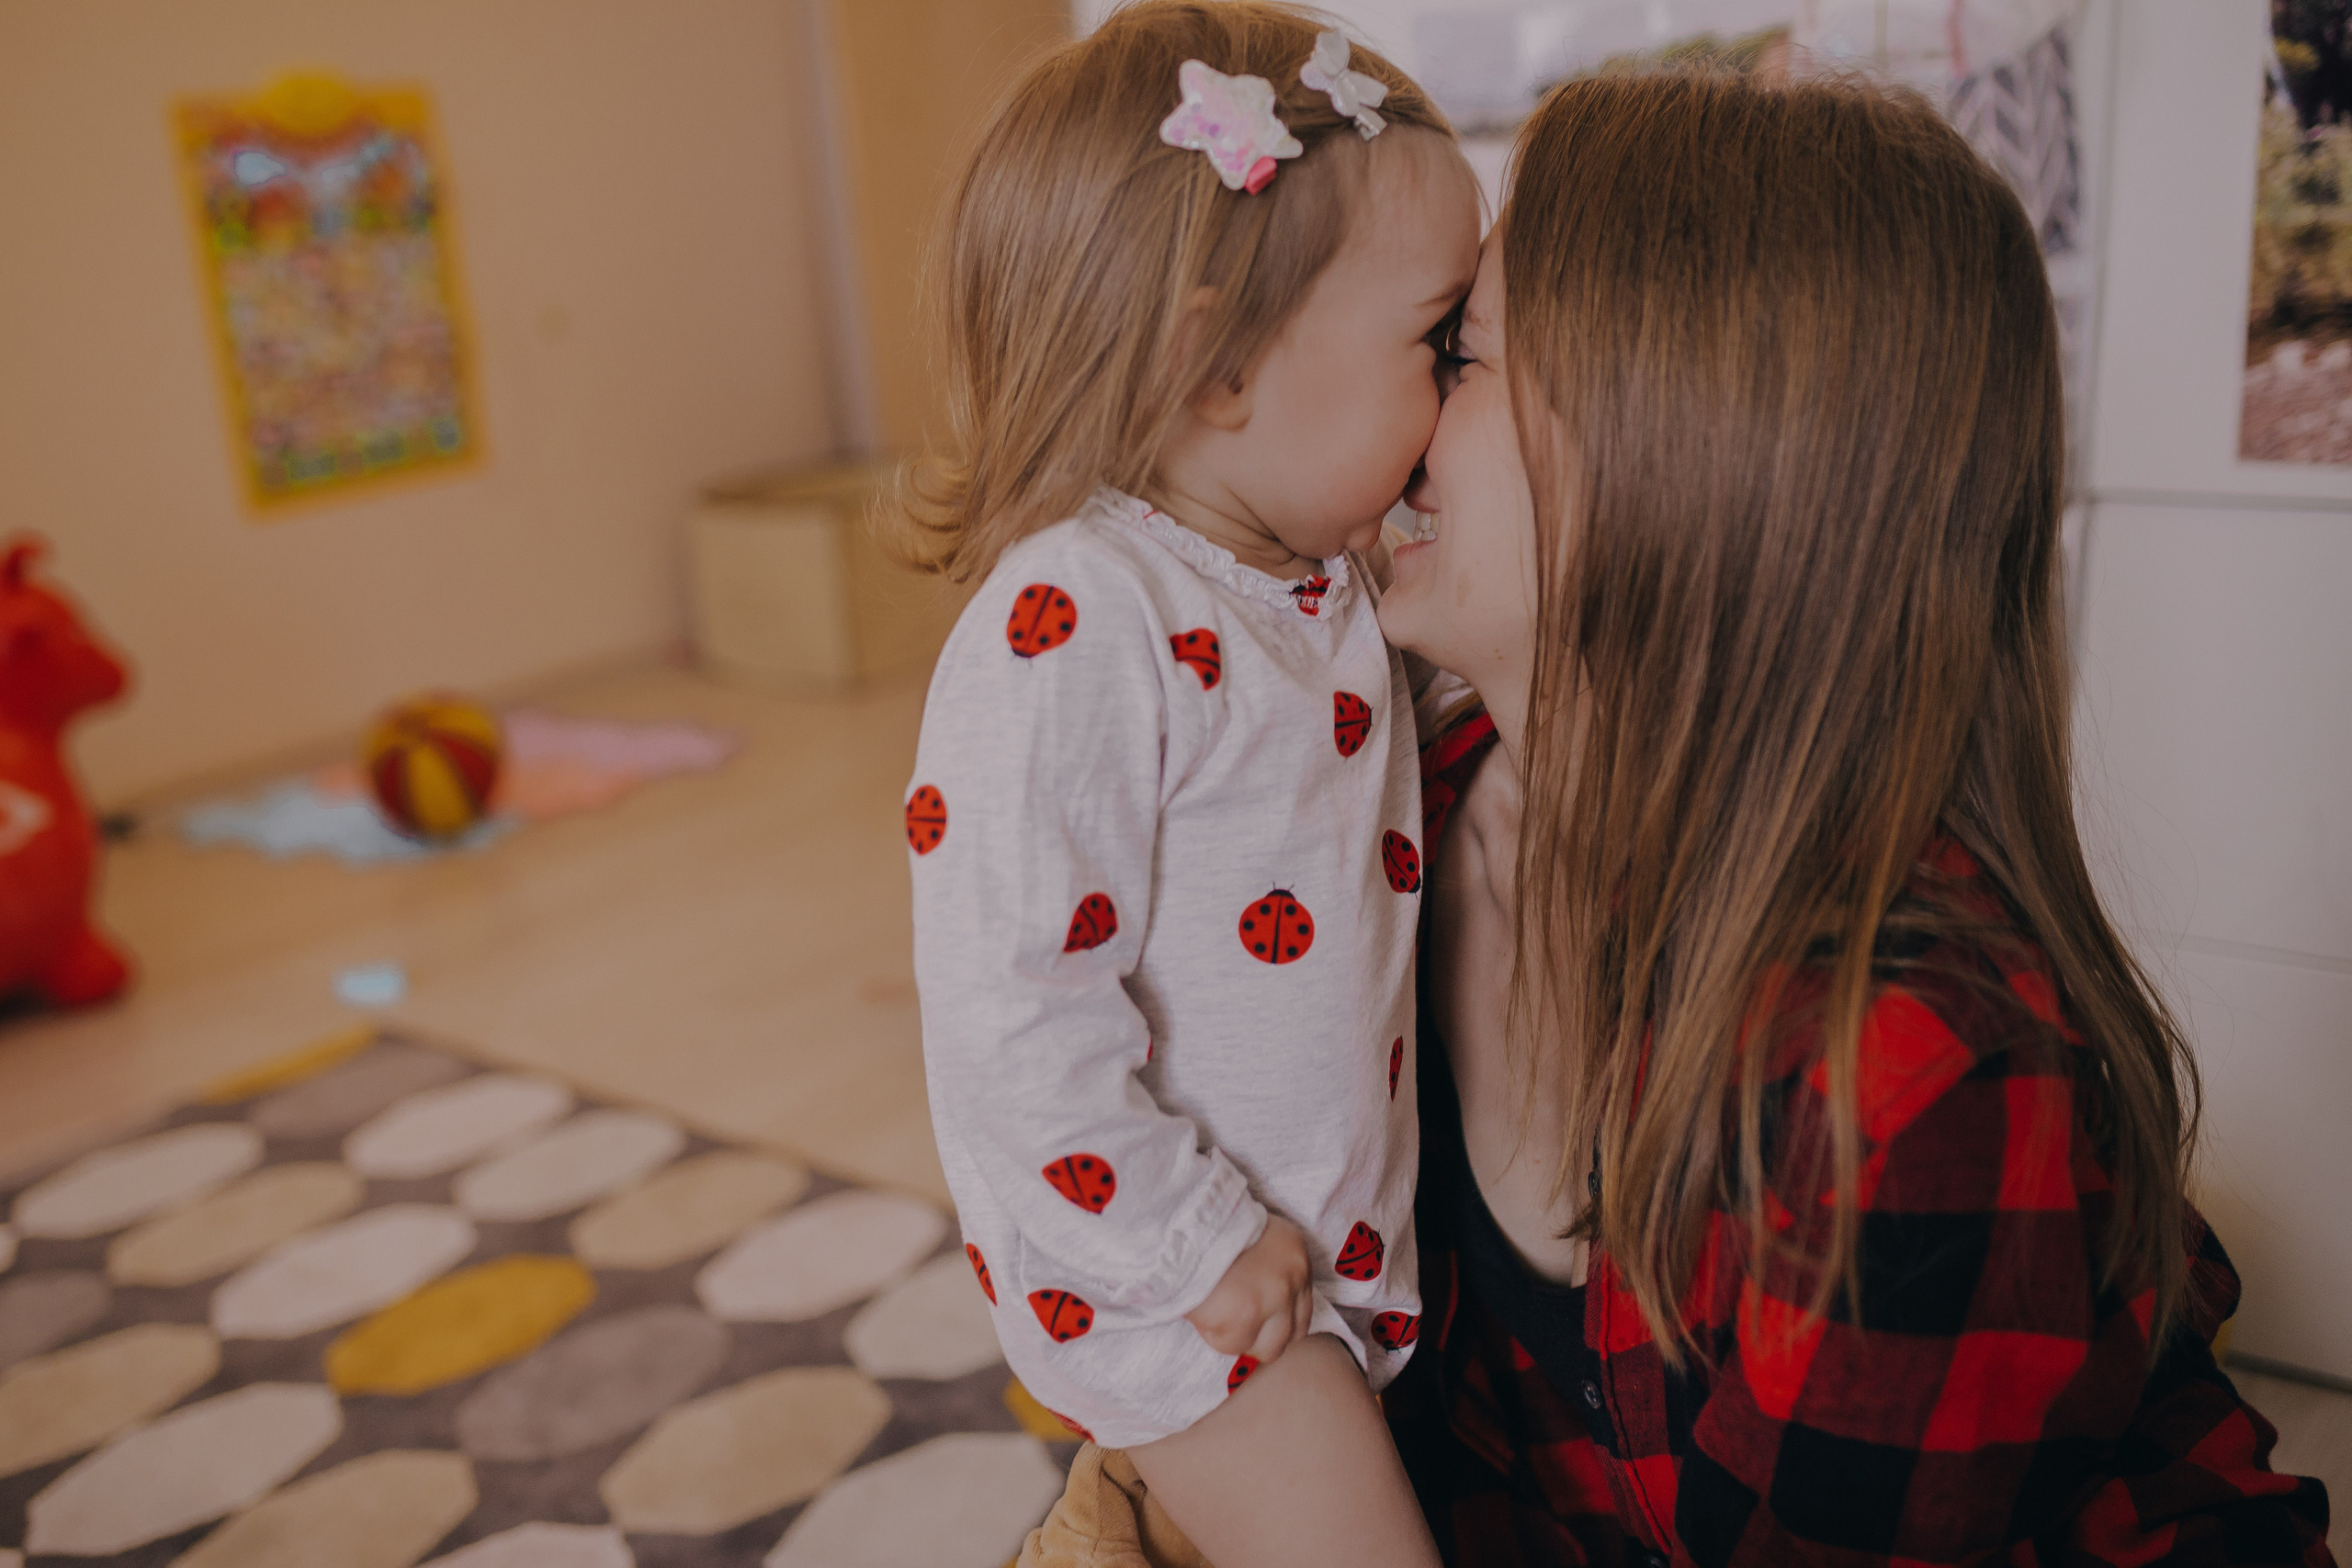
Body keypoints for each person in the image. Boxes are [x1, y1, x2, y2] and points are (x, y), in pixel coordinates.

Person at [1374, 69, 2336, 1563]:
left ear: (1676, 458)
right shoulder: (1404, 821)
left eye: (1462, 354)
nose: (1402, 406)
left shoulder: (1910, 1069)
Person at [898, 5, 1479, 1563]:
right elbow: (1004, 1002)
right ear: (1216, 364)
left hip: (1317, 1253)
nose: (1458, 392)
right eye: (1440, 342)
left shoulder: (1312, 576)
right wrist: (1189, 1242)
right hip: (1195, 1295)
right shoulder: (1080, 619)